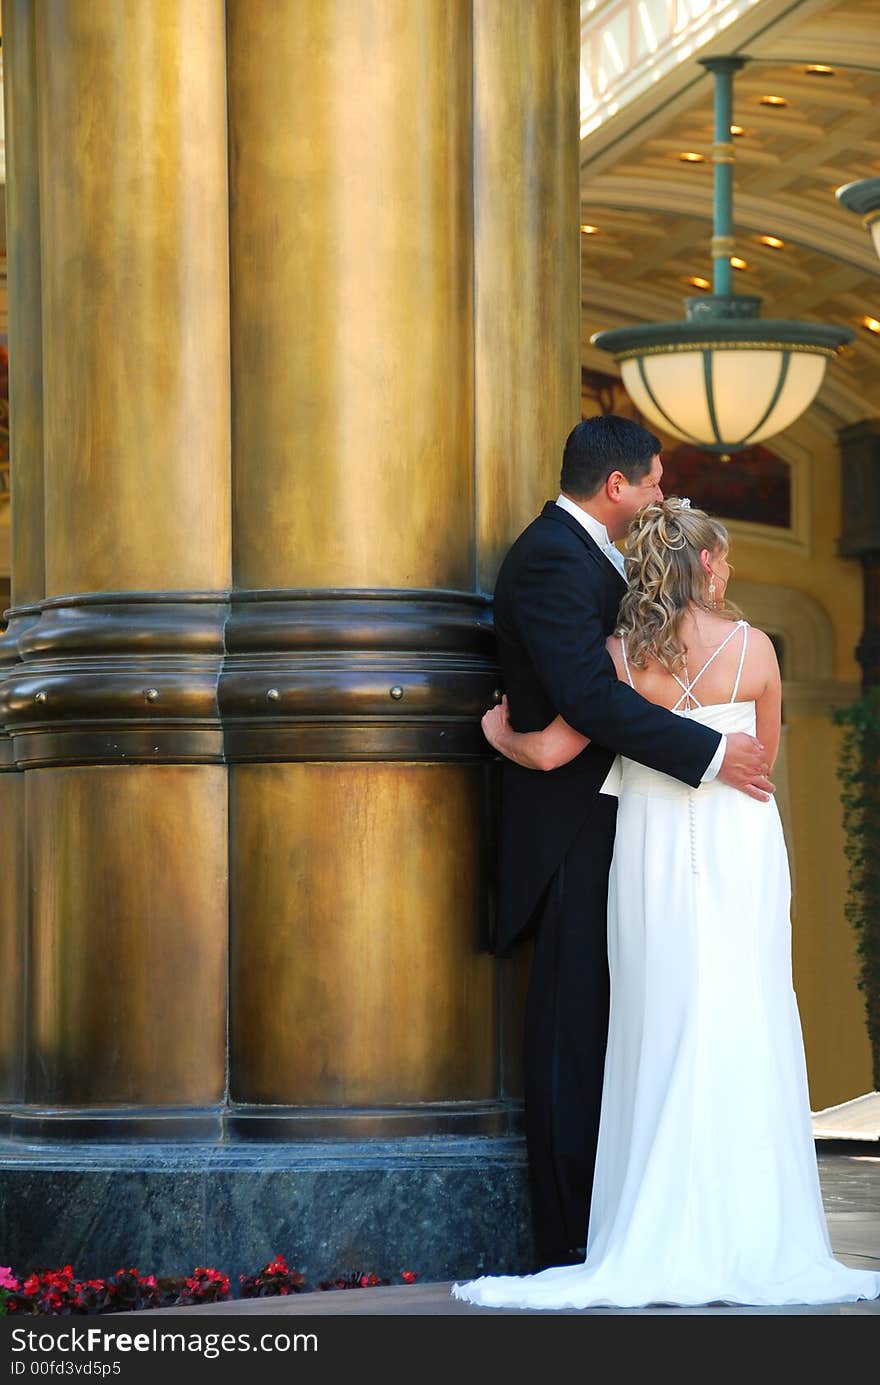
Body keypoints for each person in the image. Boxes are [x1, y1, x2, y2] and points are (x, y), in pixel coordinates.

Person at [454, 497, 880, 1308]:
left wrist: (493, 733)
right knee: (744, 1011)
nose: (729, 569)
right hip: (741, 849)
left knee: (657, 1022)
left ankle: (651, 1224)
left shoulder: (618, 656)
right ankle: (756, 1225)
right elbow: (761, 758)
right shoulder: (757, 650)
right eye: (722, 558)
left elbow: (547, 752)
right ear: (706, 565)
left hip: (647, 854)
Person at [483, 415, 771, 1272]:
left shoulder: (598, 559)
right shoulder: (547, 558)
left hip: (623, 817)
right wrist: (713, 752)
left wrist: (531, 743)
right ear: (617, 486)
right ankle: (569, 1240)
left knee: (621, 1026)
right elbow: (586, 694)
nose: (659, 496)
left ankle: (617, 1221)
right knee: (572, 1035)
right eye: (653, 482)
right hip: (572, 830)